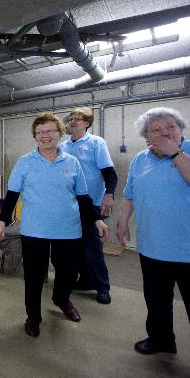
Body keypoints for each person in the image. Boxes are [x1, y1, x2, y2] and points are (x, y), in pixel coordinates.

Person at [0, 113, 108, 338]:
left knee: (69, 273)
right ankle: (33, 317)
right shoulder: (25, 162)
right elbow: (12, 195)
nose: (45, 136)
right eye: (40, 132)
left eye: (50, 131)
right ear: (35, 137)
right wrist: (1, 222)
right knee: (34, 277)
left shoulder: (71, 162)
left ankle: (61, 299)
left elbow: (83, 196)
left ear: (59, 134)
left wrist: (96, 219)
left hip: (68, 229)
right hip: (35, 229)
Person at [116, 107, 190, 355]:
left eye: (170, 127)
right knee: (157, 300)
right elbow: (129, 194)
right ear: (146, 136)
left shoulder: (188, 151)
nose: (164, 133)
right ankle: (161, 340)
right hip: (152, 246)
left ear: (181, 129)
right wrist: (122, 221)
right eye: (155, 129)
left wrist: (176, 153)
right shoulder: (141, 159)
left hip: (188, 248)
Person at [61, 107, 117, 304]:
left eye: (78, 119)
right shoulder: (64, 145)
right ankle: (85, 280)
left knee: (92, 248)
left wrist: (108, 195)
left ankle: (103, 287)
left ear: (87, 123)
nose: (73, 121)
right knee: (75, 247)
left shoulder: (96, 143)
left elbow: (110, 173)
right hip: (69, 205)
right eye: (71, 118)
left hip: (91, 203)